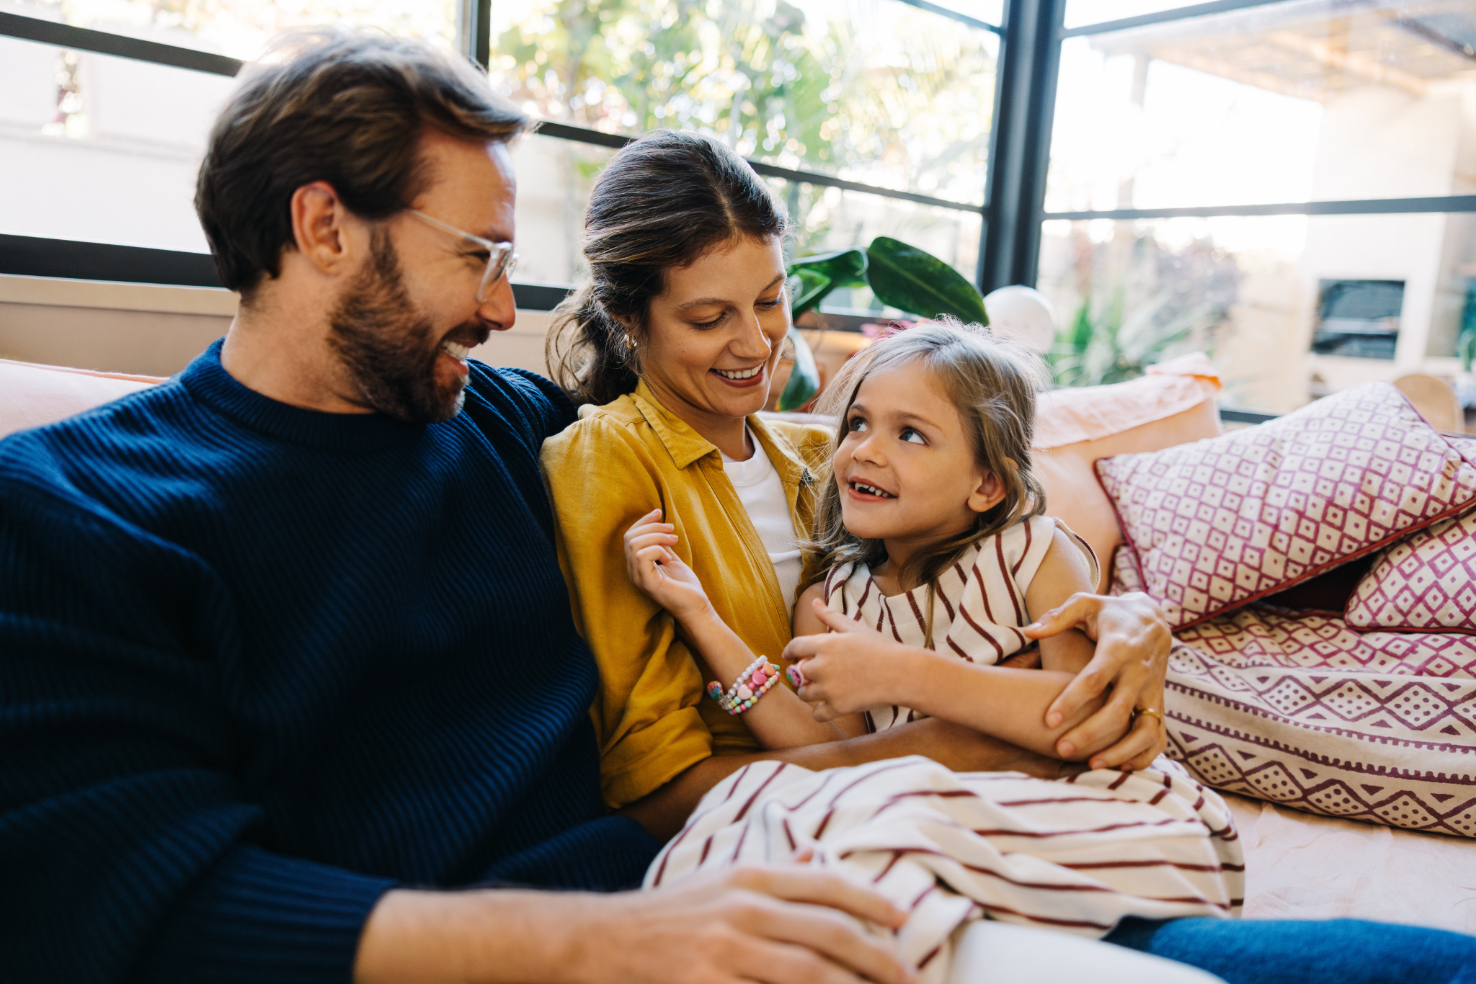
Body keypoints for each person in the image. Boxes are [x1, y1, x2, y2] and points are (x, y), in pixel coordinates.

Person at [539, 131, 1174, 838]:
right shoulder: (609, 458)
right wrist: (933, 751)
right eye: (709, 318)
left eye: (771, 301)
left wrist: (1130, 622)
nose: (756, 344)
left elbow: (1024, 570)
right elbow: (651, 793)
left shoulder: (833, 452)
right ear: (629, 318)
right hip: (793, 831)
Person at [625, 321, 1242, 972]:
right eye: (858, 423)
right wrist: (700, 616)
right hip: (944, 812)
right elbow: (818, 750)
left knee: (876, 840)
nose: (864, 450)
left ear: (987, 485)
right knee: (753, 814)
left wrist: (901, 674)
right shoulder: (830, 601)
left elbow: (1083, 718)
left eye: (910, 434)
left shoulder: (1034, 553)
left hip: (1088, 807)